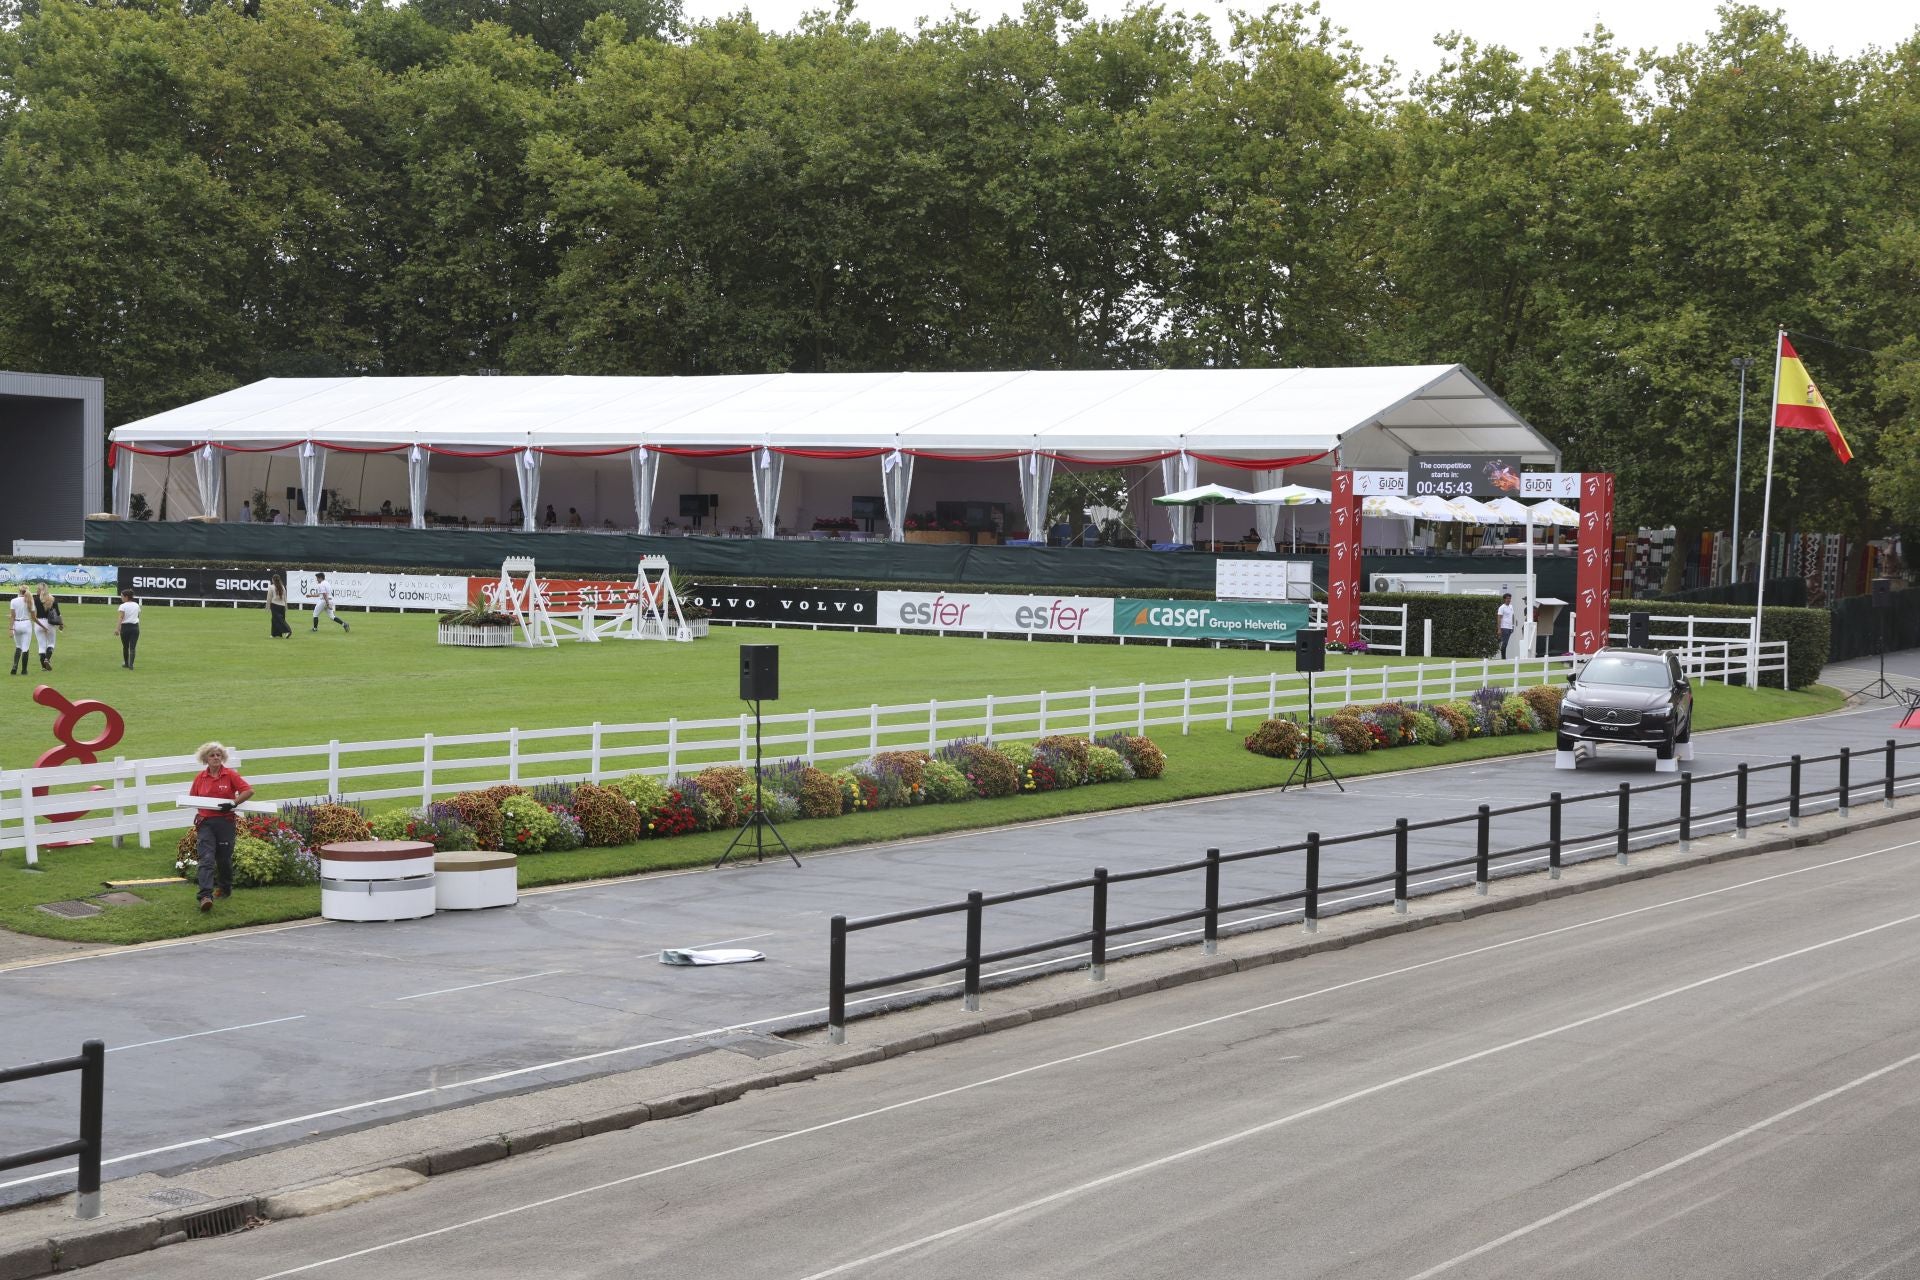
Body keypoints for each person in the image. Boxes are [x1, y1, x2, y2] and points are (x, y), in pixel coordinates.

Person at [187, 742, 253, 912]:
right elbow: (192, 798)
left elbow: (248, 791)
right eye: (212, 755)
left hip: (225, 823)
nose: (216, 757)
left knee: (223, 860)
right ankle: (205, 896)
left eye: (218, 755)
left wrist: (233, 803)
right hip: (206, 824)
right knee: (206, 859)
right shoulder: (200, 778)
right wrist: (205, 811)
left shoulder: (230, 774)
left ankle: (225, 888)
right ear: (205, 759)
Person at [33, 585, 63, 671]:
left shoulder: (36, 599)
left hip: (39, 623)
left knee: (41, 645)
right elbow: (58, 614)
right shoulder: (52, 599)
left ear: (40, 590)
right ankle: (47, 659)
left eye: (37, 589)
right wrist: (61, 624)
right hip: (50, 623)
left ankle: (43, 666)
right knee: (51, 643)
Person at [9, 585, 32, 677]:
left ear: (19, 591)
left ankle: (15, 666)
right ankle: (24, 670)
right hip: (26, 624)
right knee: (25, 648)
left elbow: (12, 616)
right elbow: (33, 615)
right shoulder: (30, 601)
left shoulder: (13, 601)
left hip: (16, 624)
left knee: (18, 646)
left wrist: (11, 628)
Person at [115, 589, 141, 669]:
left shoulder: (123, 606)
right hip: (135, 627)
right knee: (132, 647)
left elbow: (121, 617)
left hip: (125, 628)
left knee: (125, 647)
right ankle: (131, 665)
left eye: (122, 596)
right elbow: (138, 616)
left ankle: (126, 663)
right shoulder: (136, 605)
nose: (121, 597)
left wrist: (117, 628)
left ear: (126, 597)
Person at [267, 571, 292, 639]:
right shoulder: (282, 587)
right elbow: (285, 598)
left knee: (279, 620)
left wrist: (267, 607)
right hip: (282, 606)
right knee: (274, 620)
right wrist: (286, 607)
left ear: (273, 579)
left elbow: (269, 597)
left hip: (275, 605)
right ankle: (275, 634)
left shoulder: (271, 587)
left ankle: (288, 631)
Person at [1496, 592, 1515, 658]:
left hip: (1509, 628)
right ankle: (1503, 657)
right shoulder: (1502, 607)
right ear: (1504, 599)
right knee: (1505, 643)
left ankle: (1503, 656)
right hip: (1504, 627)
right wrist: (1499, 629)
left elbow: (1512, 616)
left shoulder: (1511, 606)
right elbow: (1499, 618)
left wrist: (1513, 626)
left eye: (1510, 598)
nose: (1509, 600)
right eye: (1507, 598)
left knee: (1505, 642)